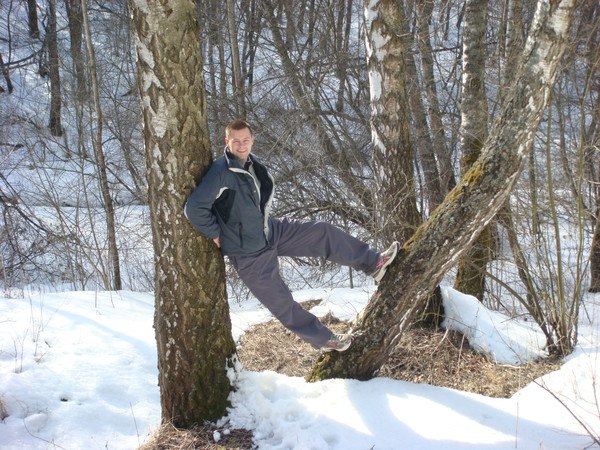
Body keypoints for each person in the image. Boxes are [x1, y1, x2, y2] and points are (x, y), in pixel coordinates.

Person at [184, 119, 399, 352]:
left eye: (246, 140)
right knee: (282, 302)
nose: (242, 145)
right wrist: (215, 233)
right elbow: (193, 208)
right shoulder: (221, 172)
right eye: (236, 141)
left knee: (322, 232)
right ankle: (324, 340)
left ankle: (374, 264)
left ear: (252, 140)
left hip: (271, 231)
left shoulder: (252, 164)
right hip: (248, 253)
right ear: (227, 141)